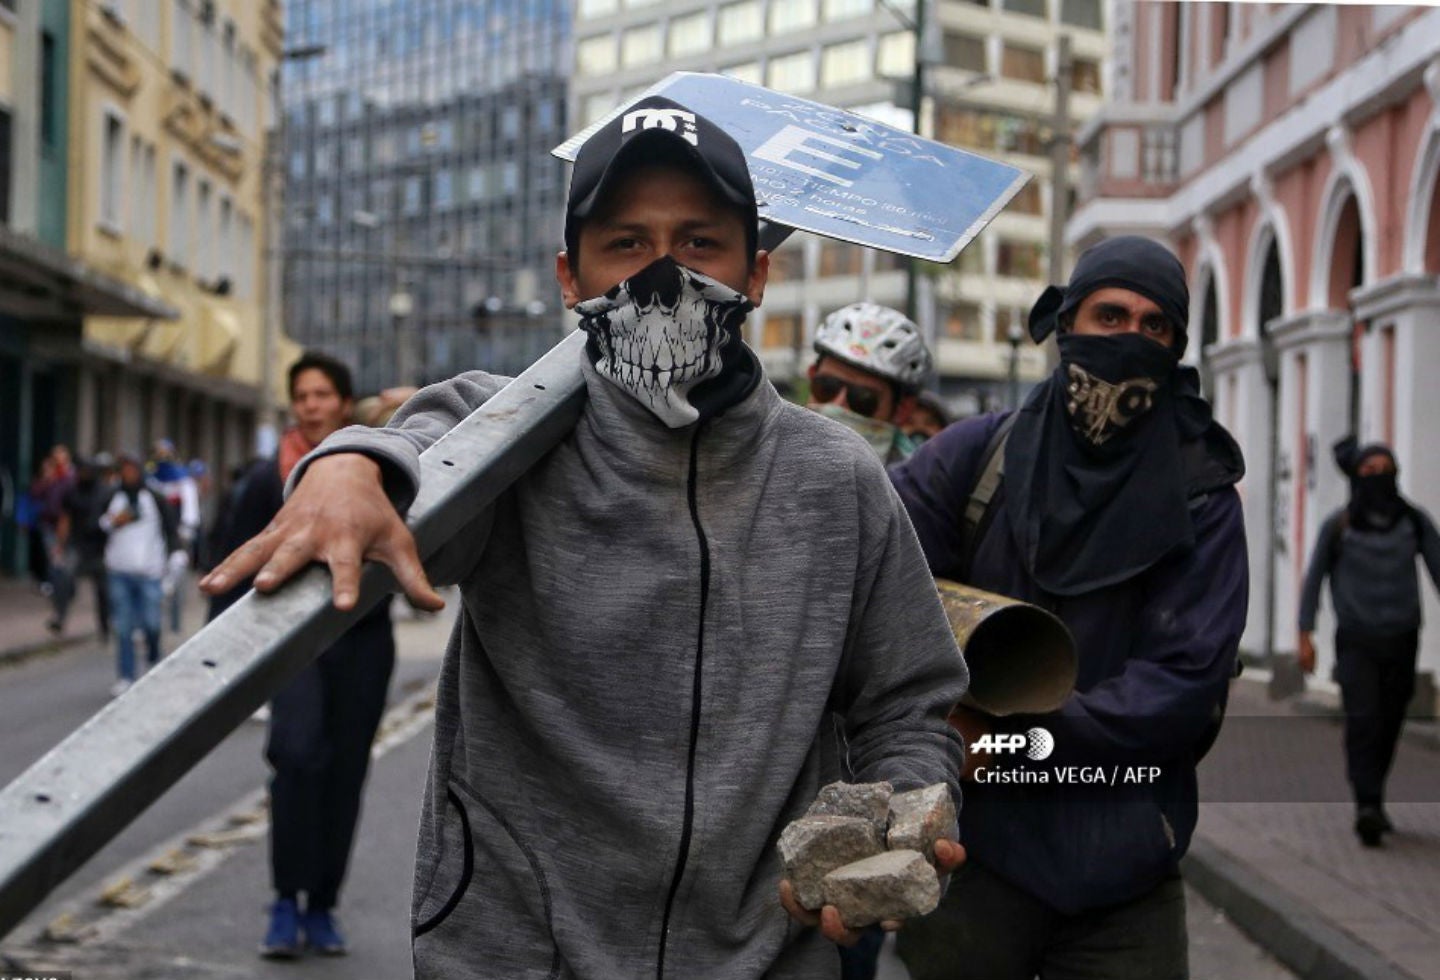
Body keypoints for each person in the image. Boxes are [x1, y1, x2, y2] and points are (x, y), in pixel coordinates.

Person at [202, 96, 968, 979]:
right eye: (627, 244)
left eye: (699, 243)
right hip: (518, 955)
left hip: (767, 957)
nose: (664, 275)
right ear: (571, 278)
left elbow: (908, 702)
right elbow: (419, 447)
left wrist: (896, 815)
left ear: (757, 274)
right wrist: (346, 465)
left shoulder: (836, 478)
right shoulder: (509, 440)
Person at [889, 235, 1248, 979]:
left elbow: (1182, 685)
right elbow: (873, 579)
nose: (1130, 338)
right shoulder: (975, 458)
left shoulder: (1202, 499)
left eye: (1154, 326)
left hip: (1123, 867)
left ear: (1176, 348)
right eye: (1109, 316)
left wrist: (1005, 739)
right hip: (971, 857)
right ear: (1067, 323)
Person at [207, 352, 396, 959]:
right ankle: (286, 900)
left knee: (345, 772)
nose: (311, 406)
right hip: (290, 647)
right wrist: (222, 657)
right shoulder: (269, 479)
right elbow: (230, 561)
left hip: (362, 640)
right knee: (295, 758)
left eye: (322, 395)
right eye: (302, 396)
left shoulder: (379, 466)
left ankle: (323, 906)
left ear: (344, 402)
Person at [1298, 437, 1440, 846]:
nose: (1379, 478)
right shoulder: (1339, 525)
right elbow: (1314, 579)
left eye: (1386, 470)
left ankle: (1374, 794)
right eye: (1370, 471)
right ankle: (1367, 804)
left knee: (1390, 719)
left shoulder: (1414, 521)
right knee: (1362, 719)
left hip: (1402, 636)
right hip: (1356, 639)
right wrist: (1305, 634)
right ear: (1357, 478)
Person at [99, 452, 183, 697]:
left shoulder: (154, 498)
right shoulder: (111, 496)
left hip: (149, 572)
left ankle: (154, 659)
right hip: (119, 571)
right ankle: (126, 675)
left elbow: (170, 528)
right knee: (123, 628)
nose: (128, 475)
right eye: (124, 470)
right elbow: (96, 525)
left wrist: (175, 555)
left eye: (132, 470)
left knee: (152, 623)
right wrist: (112, 522)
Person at [807, 302, 931, 463]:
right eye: (826, 387)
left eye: (863, 398)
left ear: (902, 410)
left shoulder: (915, 477)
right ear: (811, 375)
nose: (837, 406)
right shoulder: (774, 454)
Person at [53, 454, 116, 638]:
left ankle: (104, 626)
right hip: (77, 544)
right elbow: (65, 519)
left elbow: (113, 519)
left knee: (103, 590)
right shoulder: (72, 491)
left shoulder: (105, 492)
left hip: (99, 547)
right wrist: (60, 545)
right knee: (64, 579)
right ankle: (60, 617)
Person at [148, 439, 200, 633]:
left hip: (178, 533)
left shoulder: (183, 480)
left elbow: (190, 508)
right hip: (156, 534)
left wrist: (186, 531)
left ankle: (175, 622)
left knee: (177, 574)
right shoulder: (151, 479)